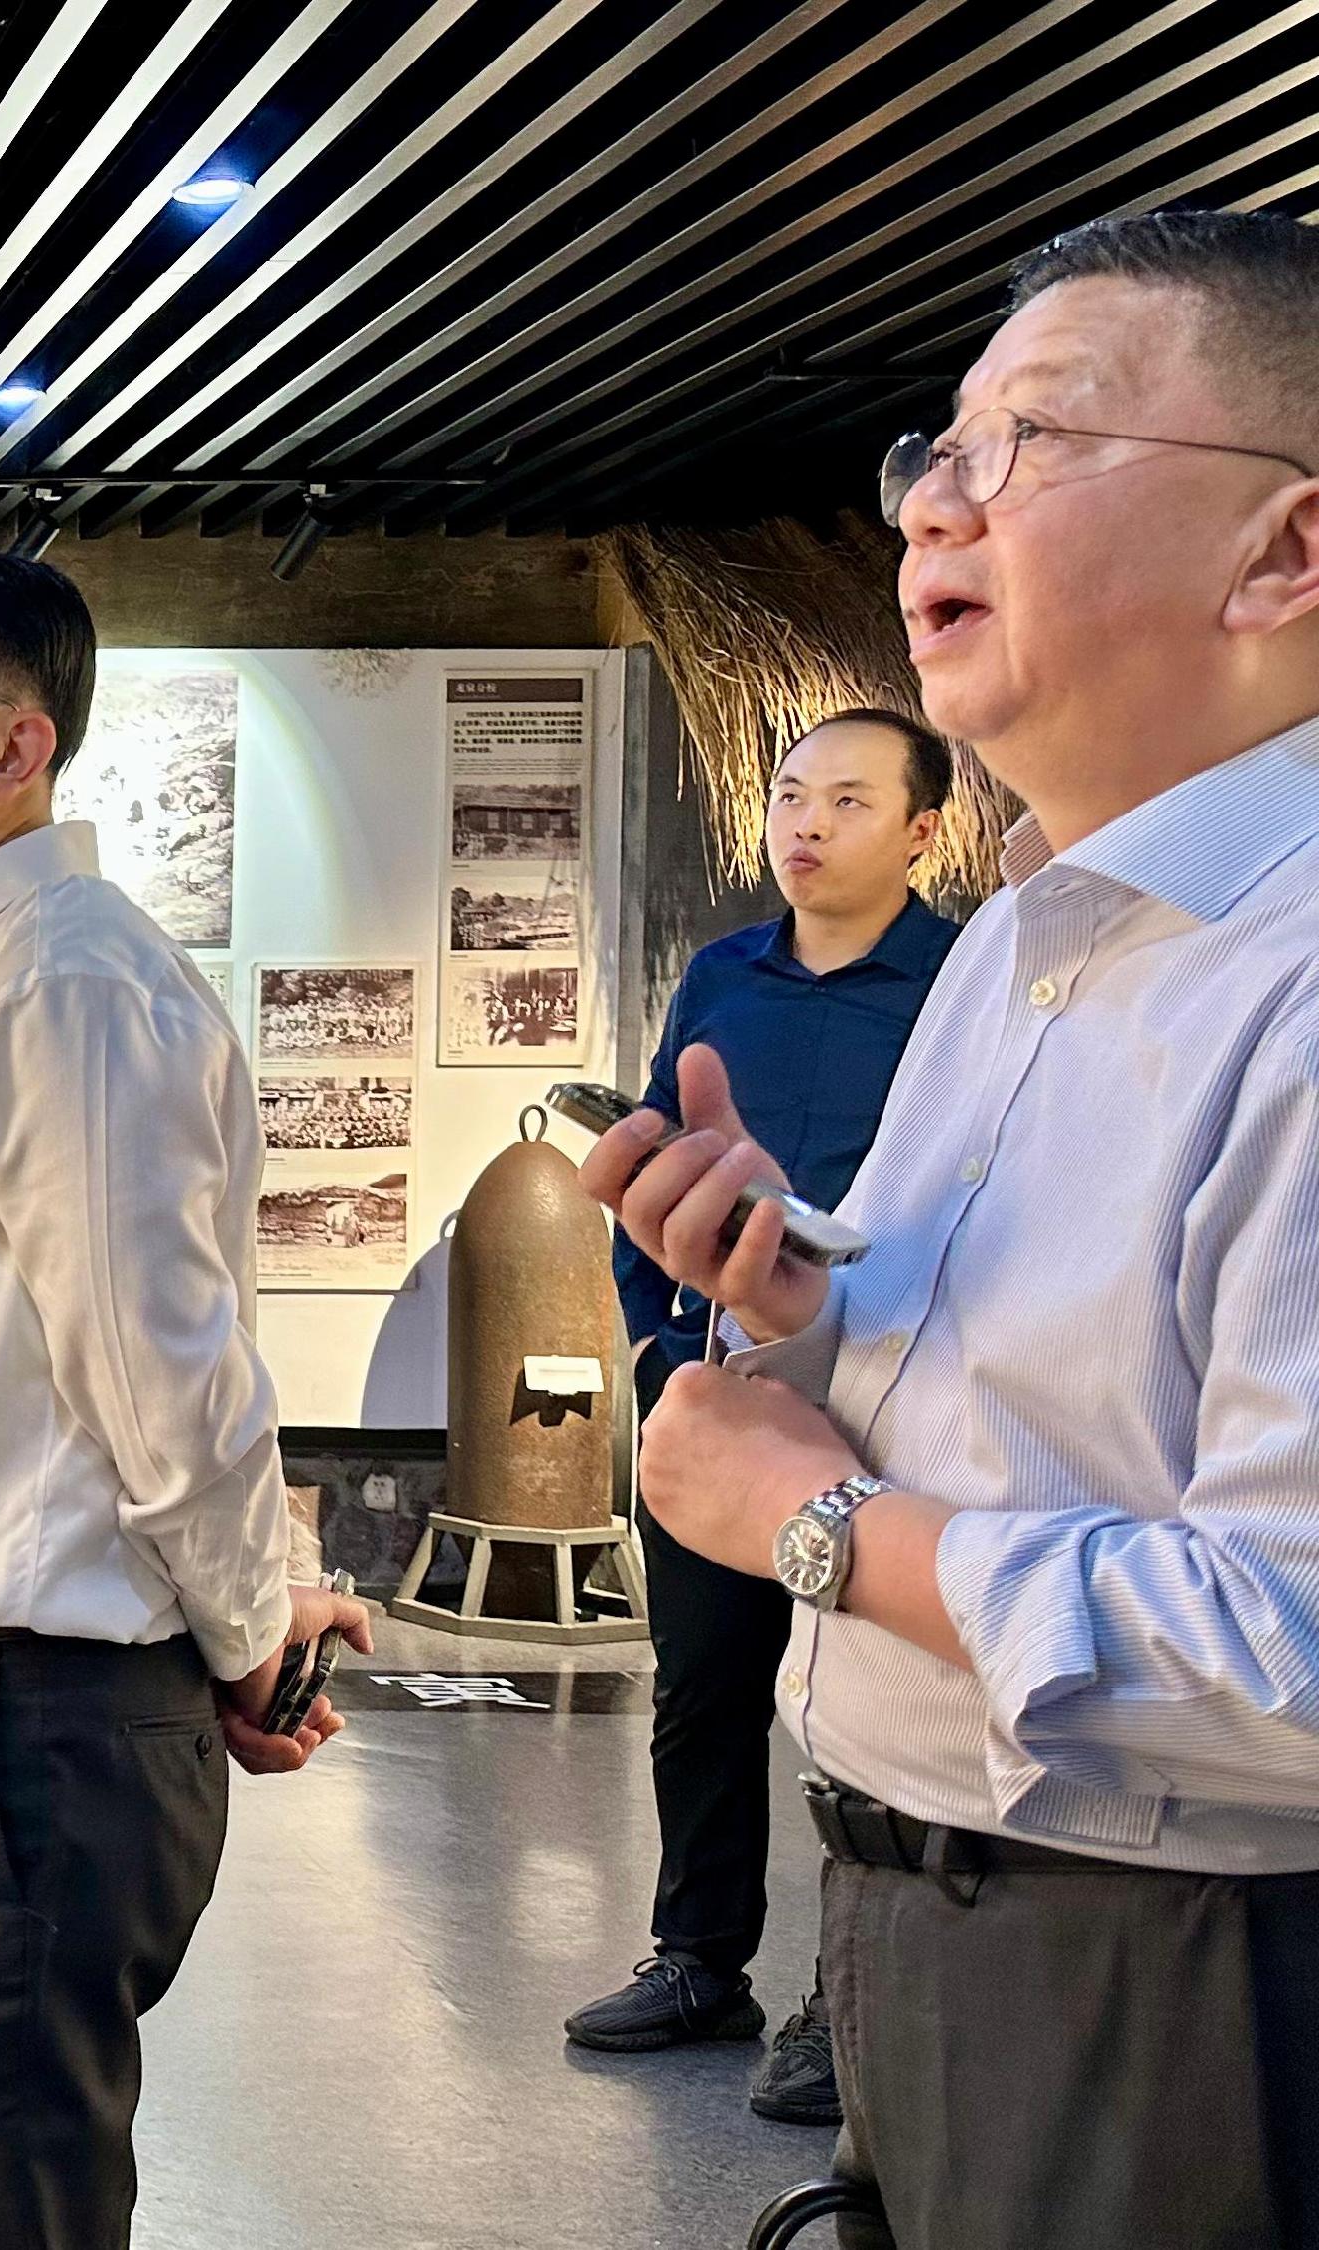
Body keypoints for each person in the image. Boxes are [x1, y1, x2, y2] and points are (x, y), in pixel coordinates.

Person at [583, 209, 1319, 2248]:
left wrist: (819, 1528)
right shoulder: (1024, 948)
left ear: (1282, 552)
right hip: (930, 1921)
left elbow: (1297, 1658)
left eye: (1037, 440)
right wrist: (792, 1312)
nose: (930, 509)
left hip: (1183, 1984)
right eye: (938, 450)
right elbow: (1006, 1390)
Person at [0, 525, 370, 2250]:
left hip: (7, 1723)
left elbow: (161, 1366)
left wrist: (249, 1633)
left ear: (17, 746)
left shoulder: (68, 978)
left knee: (2, 2204)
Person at [564, 711, 962, 2125]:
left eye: (848, 800)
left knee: (868, 1703)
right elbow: (665, 1165)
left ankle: (841, 2002)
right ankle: (698, 1957)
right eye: (793, 795)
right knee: (706, 1680)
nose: (806, 824)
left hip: (895, 1394)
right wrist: (664, 1342)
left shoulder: (964, 984)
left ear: (922, 830)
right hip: (720, 1382)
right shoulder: (724, 973)